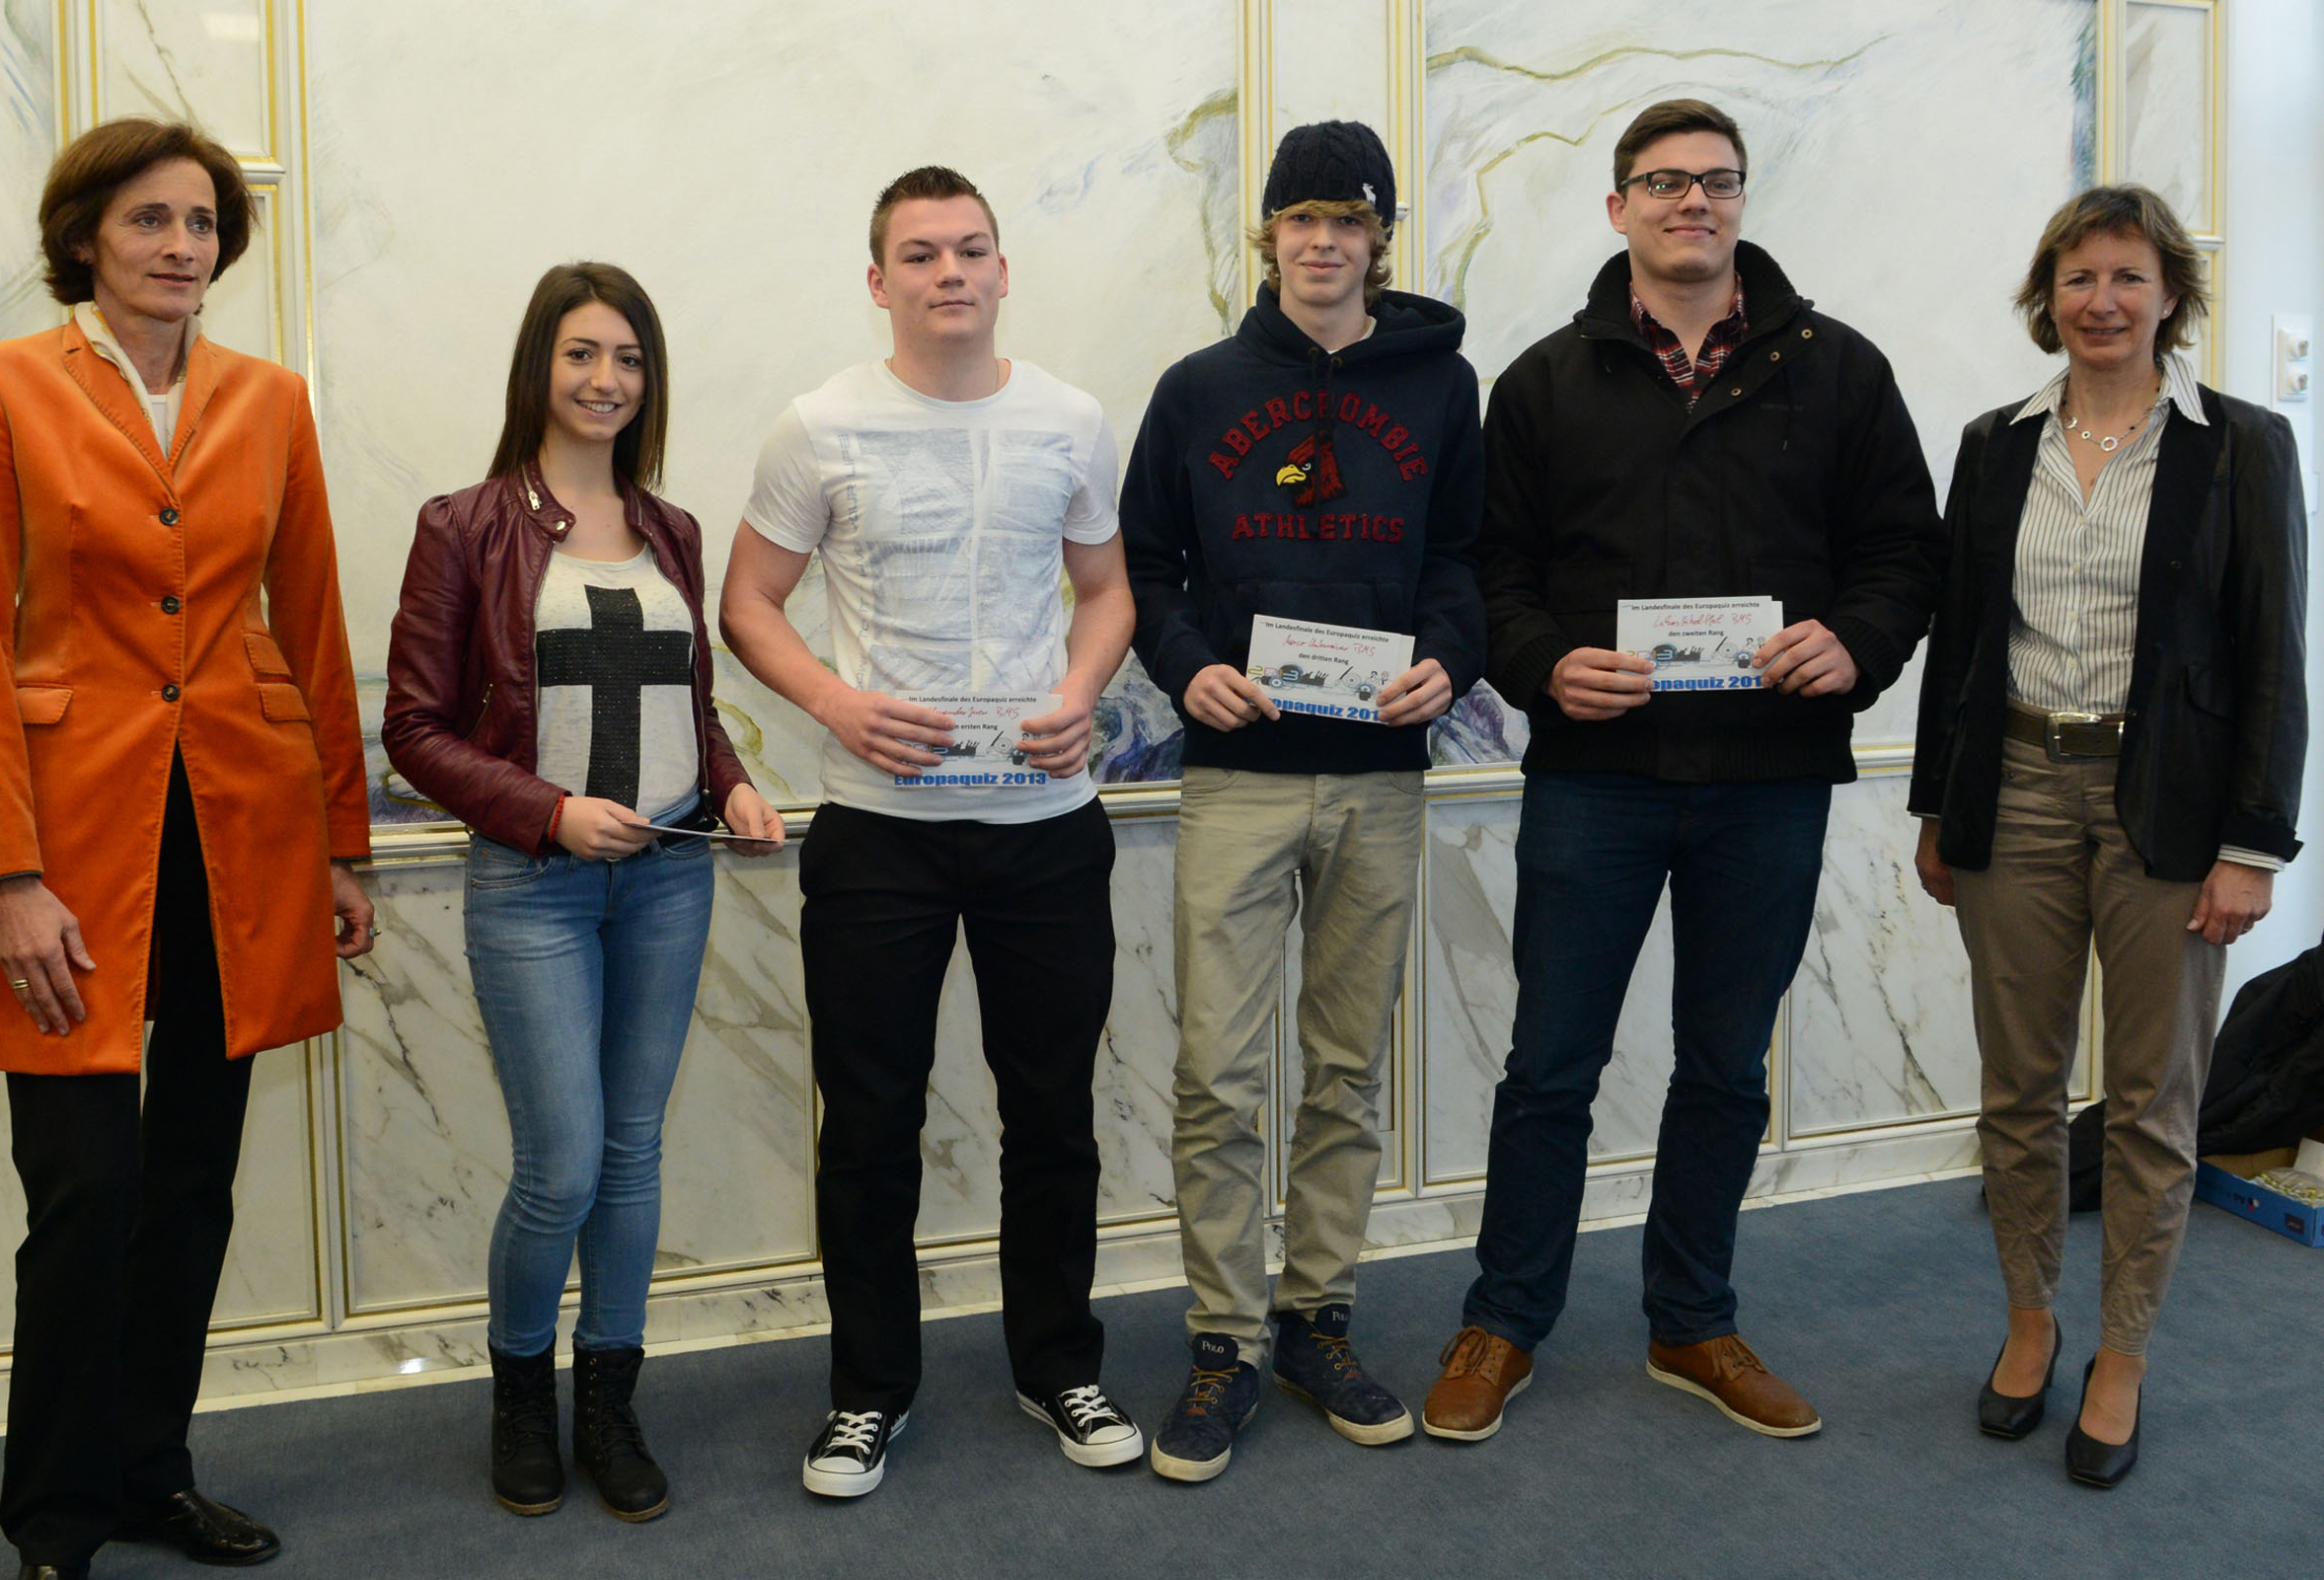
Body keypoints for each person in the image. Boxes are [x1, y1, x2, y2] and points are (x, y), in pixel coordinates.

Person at [1420, 99, 1945, 1444]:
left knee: (1724, 1067)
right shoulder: (1543, 382)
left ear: (1742, 202)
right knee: (1550, 1064)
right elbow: (1491, 570)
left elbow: (1905, 555)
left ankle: (1692, 1320)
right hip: (1595, 778)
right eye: (1662, 183)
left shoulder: (1841, 371)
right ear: (1618, 210)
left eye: (1715, 180)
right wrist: (1542, 663)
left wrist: (1856, 640)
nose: (1691, 202)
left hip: (1768, 779)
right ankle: (1503, 1319)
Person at [0, 118, 376, 1580]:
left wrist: (343, 844)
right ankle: (54, 1523)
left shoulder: (270, 401)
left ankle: (148, 1468)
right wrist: (3, 870)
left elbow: (311, 622)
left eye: (202, 222)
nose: (182, 245)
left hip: (240, 832)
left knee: (188, 1181)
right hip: (66, 845)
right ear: (85, 239)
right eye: (148, 219)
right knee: (85, 1192)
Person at [719, 166, 1142, 1497]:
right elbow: (749, 600)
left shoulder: (1071, 418)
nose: (948, 272)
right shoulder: (817, 425)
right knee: (868, 1124)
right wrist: (833, 701)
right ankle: (866, 1391)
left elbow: (1106, 589)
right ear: (879, 280)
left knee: (1053, 1115)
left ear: (1003, 271)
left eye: (969, 250)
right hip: (879, 832)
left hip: (1045, 825)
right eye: (919, 254)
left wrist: (1081, 692)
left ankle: (1057, 1363)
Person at [1910, 185, 2306, 1489]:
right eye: (2078, 278)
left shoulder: (2241, 446)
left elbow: (2272, 657)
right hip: (2016, 786)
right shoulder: (1993, 444)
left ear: (2169, 295)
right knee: (2017, 1092)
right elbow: (1960, 643)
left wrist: (2252, 844)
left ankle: (2121, 1353)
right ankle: (2030, 1323)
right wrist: (1938, 807)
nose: (2101, 301)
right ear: (2047, 297)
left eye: (2128, 276)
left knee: (2150, 1101)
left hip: (2171, 808)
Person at [383, 263, 783, 1523]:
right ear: (537, 368)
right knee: (558, 1164)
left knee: (630, 1152)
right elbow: (412, 728)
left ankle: (609, 1402)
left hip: (667, 882)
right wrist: (548, 811)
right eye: (580, 354)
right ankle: (520, 1397)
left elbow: (687, 706)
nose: (605, 380)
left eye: (628, 358)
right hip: (533, 887)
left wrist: (731, 786)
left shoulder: (673, 529)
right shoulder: (464, 526)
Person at [1119, 120, 1484, 1481]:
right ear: (1266, 235)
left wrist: (1450, 657)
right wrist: (1186, 664)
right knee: (1217, 1074)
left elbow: (1465, 558)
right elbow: (1143, 561)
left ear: (1379, 238)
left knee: (1345, 1070)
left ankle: (1315, 1317)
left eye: (1348, 220)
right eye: (1301, 219)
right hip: (1237, 775)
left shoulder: (1442, 385)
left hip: (1380, 778)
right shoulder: (1198, 388)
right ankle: (1222, 1339)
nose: (1323, 242)